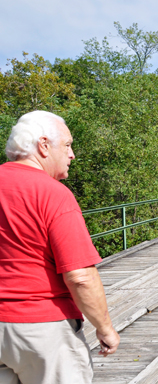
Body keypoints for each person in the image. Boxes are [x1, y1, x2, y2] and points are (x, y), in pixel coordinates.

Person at [0, 111, 120, 384]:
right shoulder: (52, 193)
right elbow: (80, 276)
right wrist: (105, 328)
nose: (72, 154)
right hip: (42, 330)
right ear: (43, 145)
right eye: (67, 145)